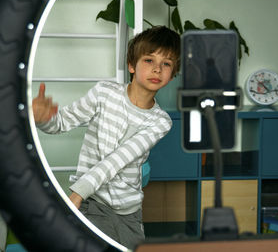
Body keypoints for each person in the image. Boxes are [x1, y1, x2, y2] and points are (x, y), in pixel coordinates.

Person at [32, 26, 180, 249]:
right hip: (92, 202)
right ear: (132, 65)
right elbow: (61, 123)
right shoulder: (104, 93)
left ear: (173, 74)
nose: (157, 69)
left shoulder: (160, 122)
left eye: (166, 64)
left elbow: (118, 159)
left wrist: (77, 193)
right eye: (149, 60)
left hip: (129, 211)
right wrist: (44, 119)